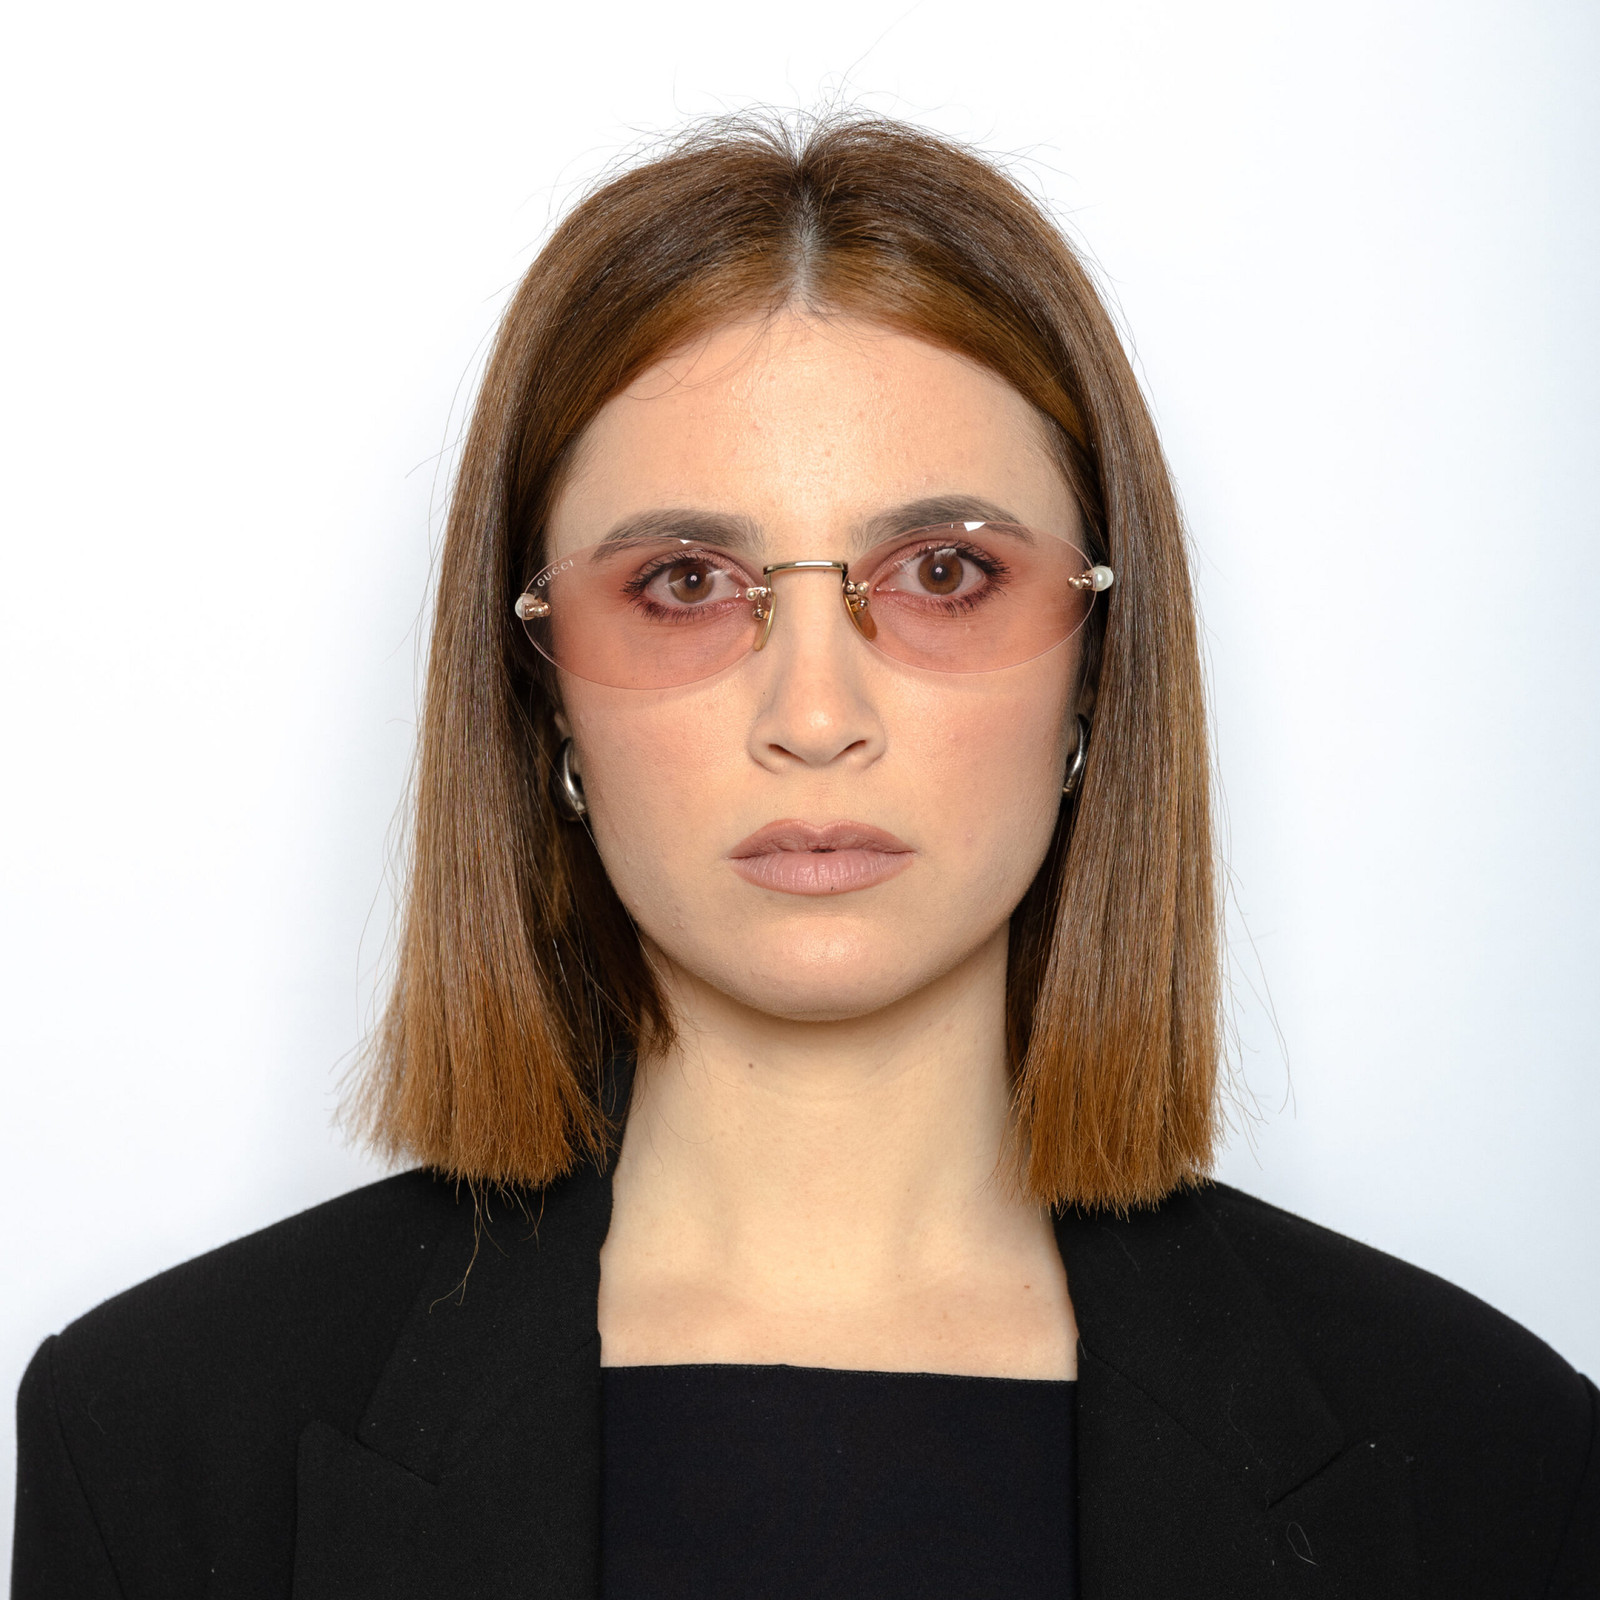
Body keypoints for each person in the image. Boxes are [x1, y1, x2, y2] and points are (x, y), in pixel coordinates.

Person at [11, 112, 1597, 1600]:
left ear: (1097, 670)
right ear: (540, 682)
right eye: (688, 582)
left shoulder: (1493, 1456)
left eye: (945, 571)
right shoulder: (156, 1439)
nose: (817, 716)